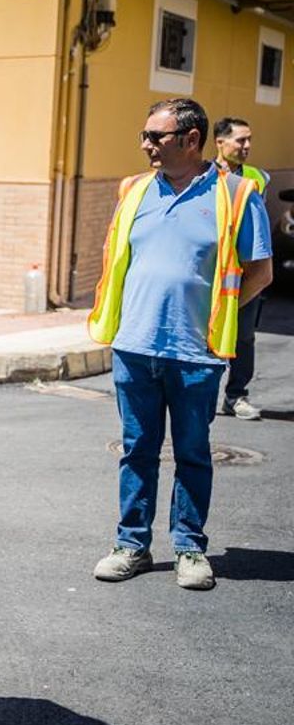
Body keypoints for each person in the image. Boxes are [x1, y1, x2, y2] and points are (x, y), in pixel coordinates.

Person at [87, 99, 273, 591]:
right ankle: (131, 544)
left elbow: (260, 272)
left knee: (192, 453)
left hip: (196, 352)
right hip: (134, 347)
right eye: (144, 135)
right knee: (137, 451)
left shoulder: (238, 194)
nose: (146, 144)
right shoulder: (134, 189)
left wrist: (218, 313)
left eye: (156, 136)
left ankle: (189, 547)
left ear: (192, 140)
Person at [213, 117, 270, 421]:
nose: (247, 146)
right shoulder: (204, 177)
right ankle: (199, 394)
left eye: (249, 140)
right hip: (212, 274)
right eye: (240, 140)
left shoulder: (257, 178)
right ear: (219, 142)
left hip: (244, 274)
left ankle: (236, 396)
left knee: (244, 337)